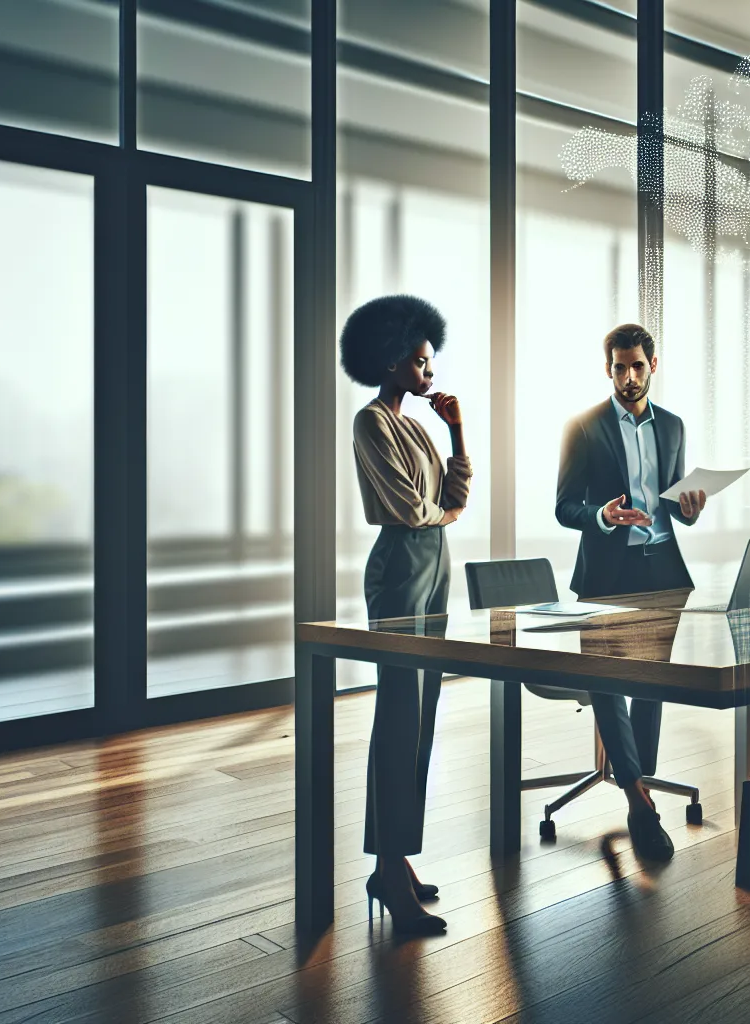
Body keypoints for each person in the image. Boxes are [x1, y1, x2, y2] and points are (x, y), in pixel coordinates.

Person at [554, 323, 710, 861]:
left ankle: (635, 788)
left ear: (652, 365)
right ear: (608, 369)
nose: (627, 377)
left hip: (662, 571)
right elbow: (564, 505)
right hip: (605, 574)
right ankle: (640, 799)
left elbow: (672, 503)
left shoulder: (672, 427)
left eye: (636, 366)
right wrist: (600, 514)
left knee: (650, 686)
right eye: (618, 367)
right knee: (606, 683)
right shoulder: (583, 427)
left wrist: (689, 508)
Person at [341, 294, 472, 936]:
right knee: (397, 715)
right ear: (392, 361)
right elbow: (411, 509)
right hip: (400, 571)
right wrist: (441, 513)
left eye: (430, 362)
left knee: (422, 717)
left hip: (435, 567)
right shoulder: (371, 423)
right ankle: (388, 869)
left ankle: (398, 857)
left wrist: (455, 429)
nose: (430, 374)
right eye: (421, 363)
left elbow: (455, 495)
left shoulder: (420, 426)